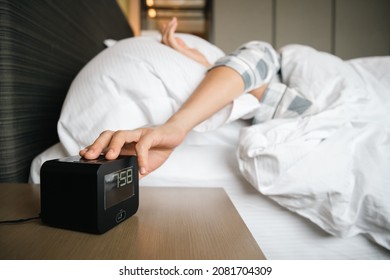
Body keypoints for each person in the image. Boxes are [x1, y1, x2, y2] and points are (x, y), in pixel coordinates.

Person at [80, 17, 312, 177]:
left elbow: (290, 105)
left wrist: (203, 62)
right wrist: (175, 127)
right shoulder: (270, 60)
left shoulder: (315, 92)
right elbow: (258, 60)